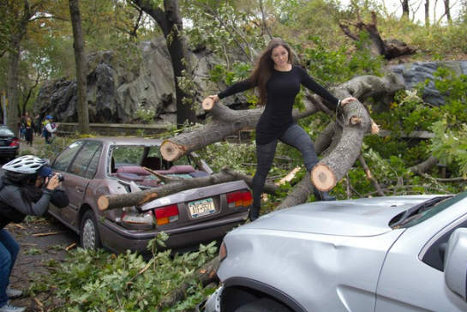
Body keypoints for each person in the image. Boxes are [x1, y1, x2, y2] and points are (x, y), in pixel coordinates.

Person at [206, 38, 357, 221]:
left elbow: (317, 88)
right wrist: (218, 96)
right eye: (276, 55)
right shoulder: (266, 74)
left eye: (283, 53)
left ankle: (322, 192)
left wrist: (339, 102)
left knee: (308, 147)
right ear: (271, 57)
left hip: (287, 125)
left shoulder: (297, 73)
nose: (280, 58)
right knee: (263, 171)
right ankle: (254, 210)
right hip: (267, 129)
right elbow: (242, 85)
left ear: (288, 53)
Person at [0, 155, 68, 312]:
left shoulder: (20, 186)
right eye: (40, 177)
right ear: (27, 178)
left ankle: (3, 287)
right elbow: (36, 210)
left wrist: (51, 189)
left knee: (13, 249)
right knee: (4, 258)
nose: (42, 180)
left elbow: (62, 201)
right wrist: (48, 190)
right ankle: (1, 303)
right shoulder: (9, 190)